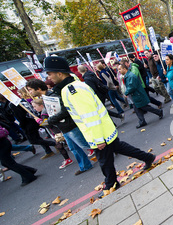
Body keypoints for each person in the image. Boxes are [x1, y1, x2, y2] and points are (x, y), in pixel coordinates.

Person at [43, 56, 156, 196]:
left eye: (49, 74)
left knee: (104, 160)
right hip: (104, 130)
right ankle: (147, 157)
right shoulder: (72, 87)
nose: (48, 77)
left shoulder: (73, 89)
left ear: (59, 73)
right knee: (119, 148)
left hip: (99, 133)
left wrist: (98, 139)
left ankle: (111, 184)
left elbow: (89, 115)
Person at [30, 98, 74, 169]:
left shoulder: (44, 113)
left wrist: (39, 121)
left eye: (35, 106)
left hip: (57, 131)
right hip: (58, 130)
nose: (34, 108)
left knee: (61, 145)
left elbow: (48, 124)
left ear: (41, 105)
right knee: (68, 143)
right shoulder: (46, 110)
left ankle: (68, 159)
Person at [118, 62, 163, 129]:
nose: (119, 71)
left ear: (124, 69)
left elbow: (132, 86)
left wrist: (126, 93)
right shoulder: (128, 75)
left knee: (144, 107)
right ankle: (142, 121)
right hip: (136, 95)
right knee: (137, 109)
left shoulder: (130, 76)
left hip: (137, 95)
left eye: (119, 69)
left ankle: (158, 112)